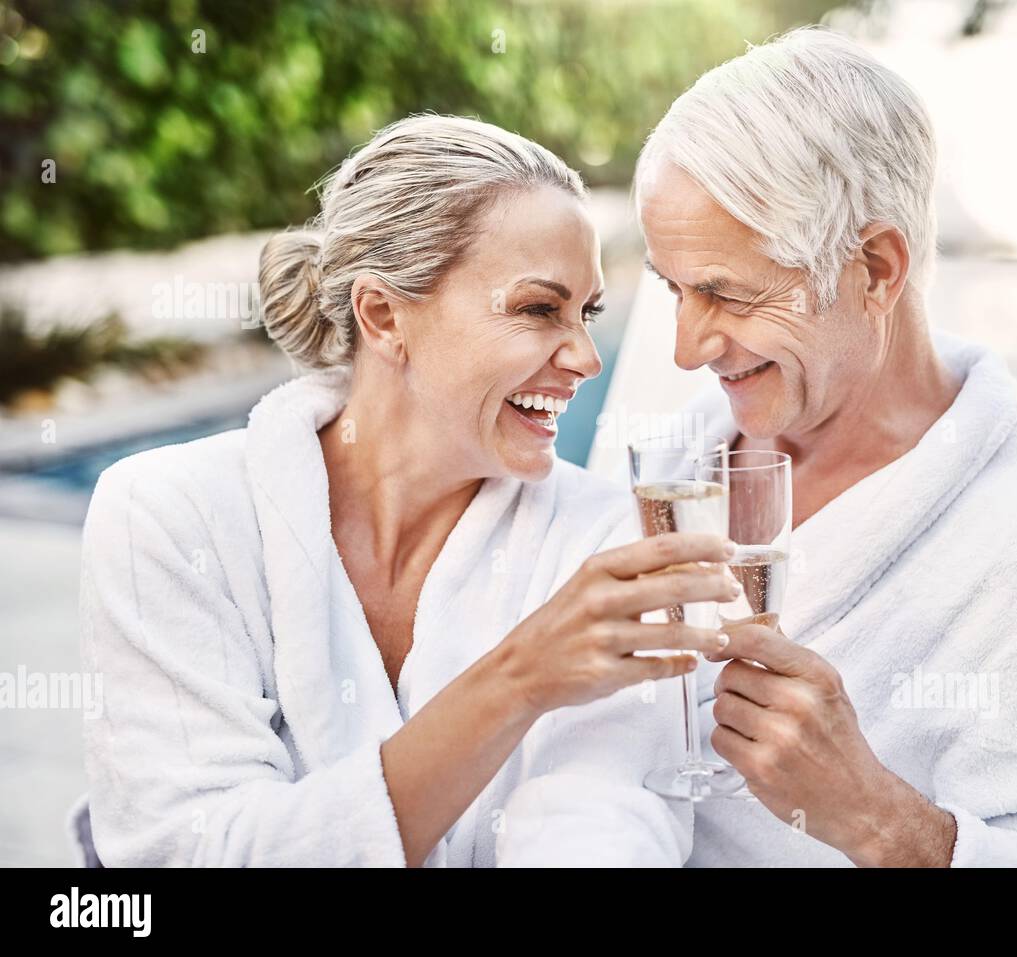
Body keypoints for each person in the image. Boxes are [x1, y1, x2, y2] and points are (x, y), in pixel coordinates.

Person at [76, 114, 739, 867]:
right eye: (537, 309)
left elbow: (603, 829)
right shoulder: (170, 517)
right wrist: (520, 678)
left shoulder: (603, 543)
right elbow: (189, 852)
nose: (585, 357)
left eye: (586, 314)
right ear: (383, 315)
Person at [635, 27, 1017, 867]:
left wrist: (877, 819)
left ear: (876, 269)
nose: (685, 346)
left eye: (723, 292)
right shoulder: (682, 458)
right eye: (673, 288)